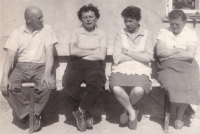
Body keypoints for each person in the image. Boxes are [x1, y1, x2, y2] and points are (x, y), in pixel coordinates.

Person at [0, 6, 57, 132]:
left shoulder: (47, 29)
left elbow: (49, 53)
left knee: (47, 86)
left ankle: (34, 114)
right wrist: (4, 78)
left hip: (41, 66)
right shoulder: (17, 33)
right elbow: (9, 56)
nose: (42, 20)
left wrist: (47, 73)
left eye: (42, 17)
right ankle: (29, 114)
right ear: (28, 19)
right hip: (20, 67)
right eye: (39, 18)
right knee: (6, 87)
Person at [62, 4, 107, 132]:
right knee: (68, 86)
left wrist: (82, 51)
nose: (88, 19)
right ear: (81, 19)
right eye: (85, 17)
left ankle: (79, 111)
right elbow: (73, 51)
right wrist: (94, 51)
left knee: (97, 84)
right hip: (75, 64)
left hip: (95, 65)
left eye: (91, 17)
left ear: (96, 18)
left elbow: (102, 55)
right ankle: (84, 112)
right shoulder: (76, 32)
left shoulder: (101, 33)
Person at [110, 5, 155, 130]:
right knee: (117, 89)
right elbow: (117, 58)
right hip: (121, 67)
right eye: (125, 21)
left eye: (130, 21)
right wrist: (139, 55)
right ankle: (132, 112)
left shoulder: (147, 34)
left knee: (138, 90)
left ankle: (125, 111)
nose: (127, 24)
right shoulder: (120, 34)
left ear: (137, 20)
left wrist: (128, 52)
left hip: (141, 68)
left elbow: (149, 57)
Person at [156, 10, 200, 129]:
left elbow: (190, 55)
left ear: (184, 22)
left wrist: (168, 53)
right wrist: (179, 50)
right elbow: (159, 52)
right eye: (172, 24)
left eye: (177, 24)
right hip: (167, 66)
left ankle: (180, 115)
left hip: (188, 65)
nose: (174, 26)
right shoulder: (163, 32)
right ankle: (176, 112)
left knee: (193, 84)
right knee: (170, 84)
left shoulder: (190, 33)